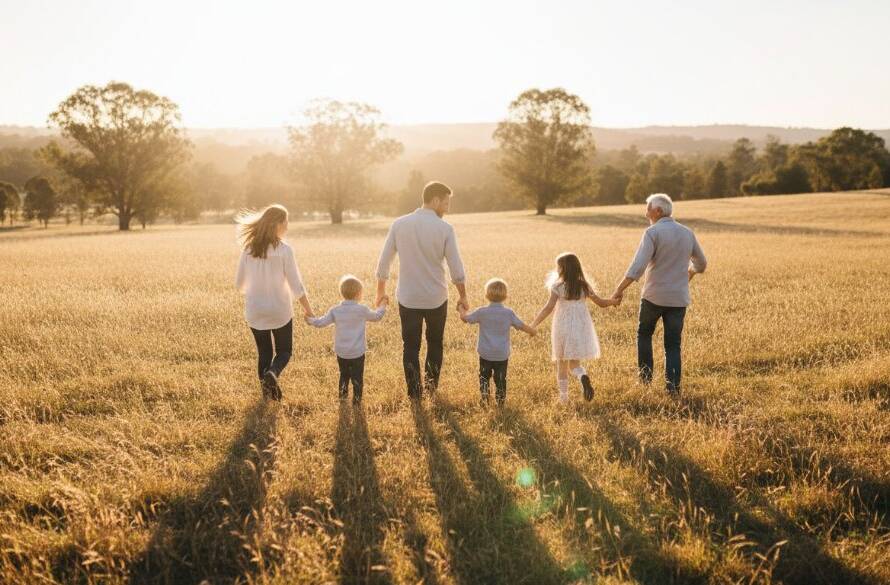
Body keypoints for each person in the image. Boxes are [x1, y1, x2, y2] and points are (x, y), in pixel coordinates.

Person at [375, 181, 468, 399]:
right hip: (436, 297)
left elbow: (384, 261)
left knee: (410, 345)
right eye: (445, 203)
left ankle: (414, 393)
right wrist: (463, 295)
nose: (447, 207)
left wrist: (380, 291)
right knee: (435, 343)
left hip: (408, 297)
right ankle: (431, 388)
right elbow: (457, 268)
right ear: (434, 200)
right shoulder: (445, 229)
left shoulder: (399, 224)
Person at [611, 193, 707, 396]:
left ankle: (645, 382)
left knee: (644, 335)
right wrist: (687, 276)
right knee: (673, 345)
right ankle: (673, 389)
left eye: (648, 208)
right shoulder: (687, 233)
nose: (645, 212)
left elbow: (637, 267)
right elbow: (701, 263)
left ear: (658, 211)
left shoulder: (652, 232)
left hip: (653, 297)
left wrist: (619, 289)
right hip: (678, 298)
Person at [235, 204, 314, 401]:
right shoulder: (285, 250)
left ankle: (269, 394)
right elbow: (296, 285)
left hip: (255, 311)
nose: (287, 226)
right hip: (280, 310)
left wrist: (256, 289)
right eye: (286, 222)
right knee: (284, 351)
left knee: (264, 352)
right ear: (277, 224)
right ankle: (273, 374)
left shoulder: (248, 249)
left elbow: (239, 284)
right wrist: (308, 309)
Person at [530, 253, 619, 404]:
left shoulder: (557, 287)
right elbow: (602, 303)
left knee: (562, 363)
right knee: (575, 364)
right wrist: (614, 301)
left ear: (562, 269)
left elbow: (548, 308)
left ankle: (563, 398)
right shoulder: (584, 286)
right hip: (580, 327)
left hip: (562, 327)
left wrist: (533, 324)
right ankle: (581, 375)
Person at [305, 275, 388, 404]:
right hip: (357, 352)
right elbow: (377, 316)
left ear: (342, 293)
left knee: (343, 375)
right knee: (357, 377)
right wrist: (382, 305)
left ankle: (343, 399)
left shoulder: (335, 310)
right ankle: (356, 401)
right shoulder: (362, 310)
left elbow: (320, 322)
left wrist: (310, 320)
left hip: (342, 352)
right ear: (358, 294)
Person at [458, 278, 536, 406]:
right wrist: (532, 331)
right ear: (505, 296)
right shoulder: (508, 313)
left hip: (485, 354)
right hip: (501, 355)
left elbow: (466, 319)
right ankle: (500, 403)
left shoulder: (482, 312)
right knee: (500, 379)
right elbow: (521, 325)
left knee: (484, 377)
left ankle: (484, 399)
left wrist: (461, 308)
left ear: (487, 295)